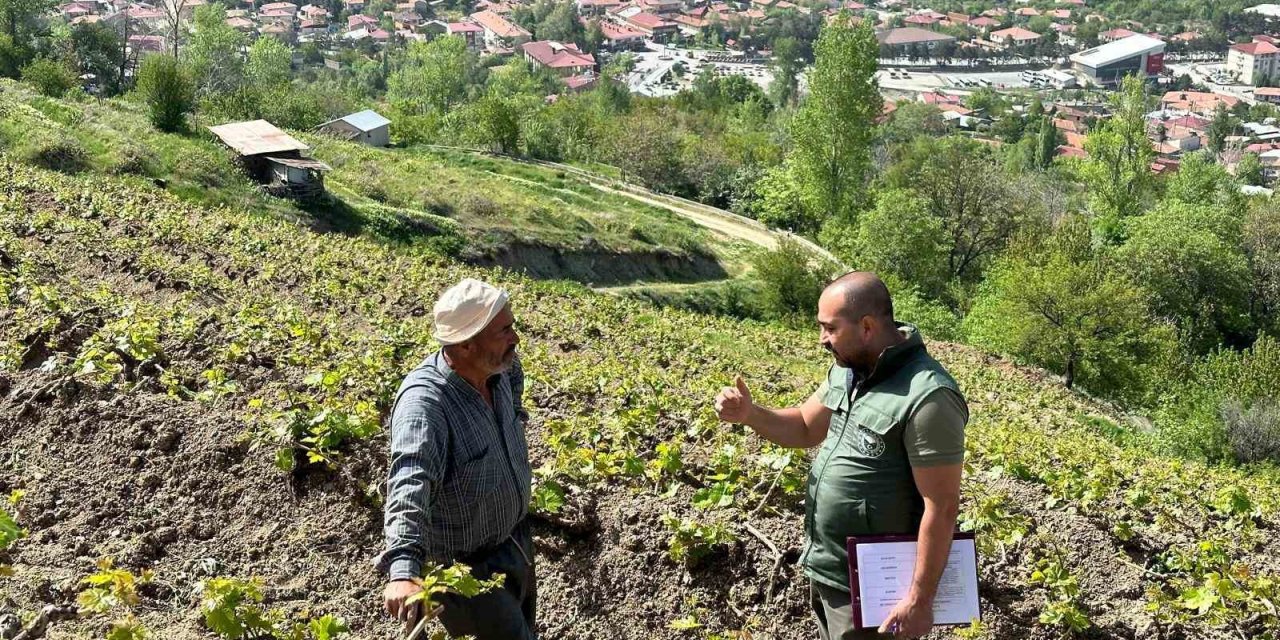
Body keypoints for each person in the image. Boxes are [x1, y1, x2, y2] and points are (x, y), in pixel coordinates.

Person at [714, 272, 968, 640]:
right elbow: (804, 427)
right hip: (830, 570)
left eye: (830, 328)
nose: (822, 339)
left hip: (875, 590)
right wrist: (750, 414)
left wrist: (919, 598)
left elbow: (941, 506)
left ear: (866, 327)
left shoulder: (928, 397)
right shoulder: (850, 370)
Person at [377, 278, 536, 640]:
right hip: (468, 575)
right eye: (504, 331)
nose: (515, 338)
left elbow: (514, 398)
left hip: (516, 544)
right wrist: (403, 569)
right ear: (465, 344)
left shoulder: (502, 369)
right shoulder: (426, 406)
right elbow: (410, 482)